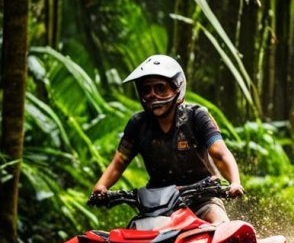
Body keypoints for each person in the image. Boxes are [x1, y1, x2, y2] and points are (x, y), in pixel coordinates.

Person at [91, 55, 243, 223]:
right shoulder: (137, 124)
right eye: (146, 90)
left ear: (177, 88)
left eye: (160, 88)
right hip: (156, 204)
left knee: (221, 228)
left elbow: (220, 154)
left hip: (202, 198)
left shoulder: (196, 116)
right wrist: (101, 187)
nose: (152, 95)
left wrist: (234, 182)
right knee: (130, 241)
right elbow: (119, 162)